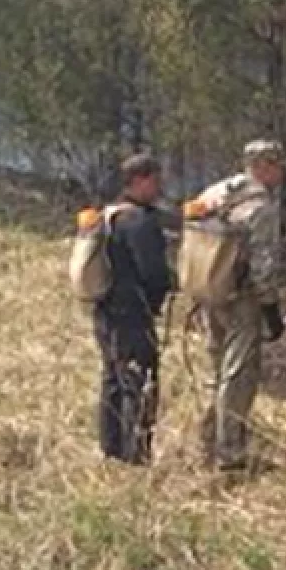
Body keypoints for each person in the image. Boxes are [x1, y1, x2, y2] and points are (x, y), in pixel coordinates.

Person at [194, 139, 286, 471]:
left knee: (217, 371)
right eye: (276, 166)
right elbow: (264, 263)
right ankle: (230, 455)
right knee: (239, 376)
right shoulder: (261, 206)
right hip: (241, 300)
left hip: (209, 293)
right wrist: (271, 309)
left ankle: (208, 443)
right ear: (263, 165)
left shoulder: (215, 192)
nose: (280, 173)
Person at [93, 153, 175, 465]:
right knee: (139, 385)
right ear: (139, 180)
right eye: (155, 180)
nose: (159, 186)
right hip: (132, 314)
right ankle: (135, 457)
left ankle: (111, 450)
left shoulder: (109, 215)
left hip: (104, 311)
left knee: (113, 380)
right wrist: (159, 299)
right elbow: (154, 273)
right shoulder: (139, 221)